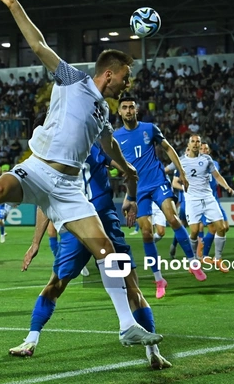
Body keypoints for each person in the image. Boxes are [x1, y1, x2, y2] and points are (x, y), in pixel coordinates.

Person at [0, 0, 161, 347]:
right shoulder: (71, 79)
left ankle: (127, 327)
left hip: (69, 188)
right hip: (38, 168)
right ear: (108, 73)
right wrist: (13, 4)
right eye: (125, 78)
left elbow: (110, 147)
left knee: (107, 250)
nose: (128, 84)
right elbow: (38, 44)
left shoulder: (104, 115)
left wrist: (126, 170)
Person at [10, 143, 171, 369]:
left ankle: (31, 340)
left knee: (57, 284)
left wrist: (35, 242)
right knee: (130, 286)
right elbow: (129, 171)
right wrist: (130, 198)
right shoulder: (96, 144)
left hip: (76, 226)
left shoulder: (53, 154)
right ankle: (153, 351)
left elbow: (43, 202)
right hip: (100, 222)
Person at [114, 97, 206, 300]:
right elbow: (112, 161)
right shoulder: (116, 137)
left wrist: (181, 172)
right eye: (125, 108)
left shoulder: (149, 128)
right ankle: (159, 279)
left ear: (136, 110)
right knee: (146, 233)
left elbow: (168, 149)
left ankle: (192, 262)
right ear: (119, 112)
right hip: (138, 190)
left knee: (172, 218)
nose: (129, 110)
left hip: (157, 182)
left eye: (131, 107)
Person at [173, 135, 234, 272]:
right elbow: (174, 182)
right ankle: (194, 260)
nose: (195, 144)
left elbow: (217, 176)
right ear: (188, 145)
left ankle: (218, 258)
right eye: (193, 142)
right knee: (194, 232)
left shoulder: (206, 159)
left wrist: (226, 187)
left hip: (208, 198)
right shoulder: (181, 161)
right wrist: (185, 188)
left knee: (222, 227)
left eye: (197, 141)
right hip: (192, 200)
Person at [197, 142, 232, 263]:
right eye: (202, 149)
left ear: (209, 151)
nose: (204, 150)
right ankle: (205, 256)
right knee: (212, 229)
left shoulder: (214, 164)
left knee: (225, 227)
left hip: (215, 200)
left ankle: (203, 250)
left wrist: (227, 187)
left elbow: (217, 177)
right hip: (204, 201)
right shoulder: (194, 164)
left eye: (206, 149)